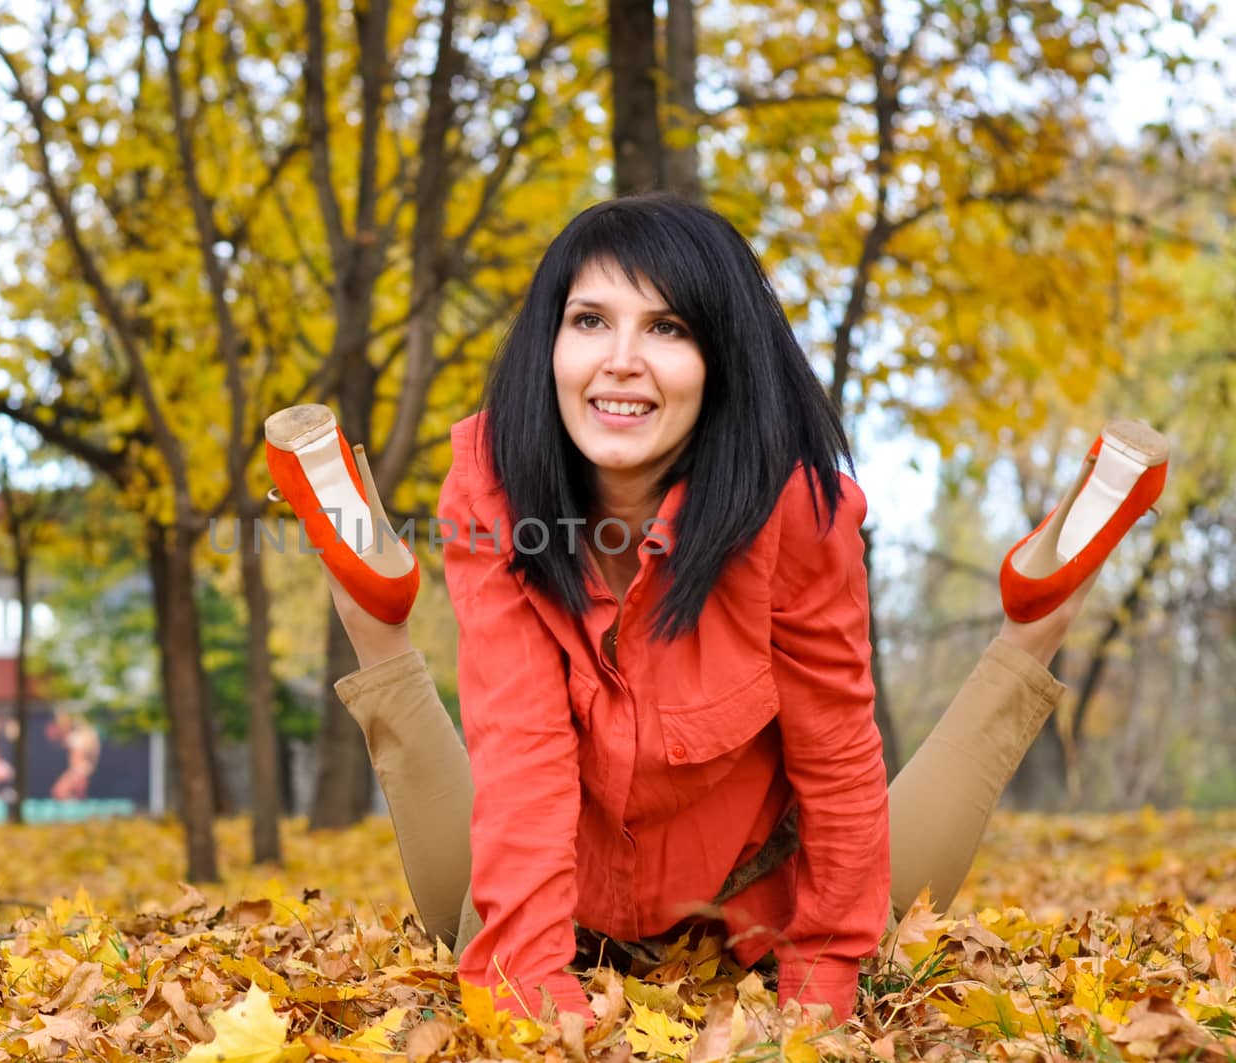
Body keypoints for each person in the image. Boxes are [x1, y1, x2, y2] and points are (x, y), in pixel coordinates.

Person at [262, 194, 1170, 1026]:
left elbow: (837, 755)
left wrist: (820, 979)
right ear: (550, 346)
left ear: (721, 359)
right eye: (590, 320)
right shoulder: (497, 491)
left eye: (667, 327)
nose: (621, 359)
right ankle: (369, 594)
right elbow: (521, 749)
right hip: (557, 887)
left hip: (747, 896)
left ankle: (1038, 612)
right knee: (452, 914)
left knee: (885, 909)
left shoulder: (799, 513)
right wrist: (530, 983)